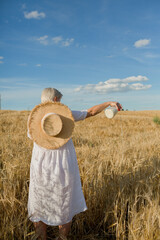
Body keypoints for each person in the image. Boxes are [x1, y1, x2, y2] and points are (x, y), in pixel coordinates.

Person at [27, 87, 122, 240]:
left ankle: (40, 237)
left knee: (38, 201)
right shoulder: (66, 115)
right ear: (56, 100)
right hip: (64, 167)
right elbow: (90, 112)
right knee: (64, 201)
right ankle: (62, 237)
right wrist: (108, 103)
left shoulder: (33, 119)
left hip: (40, 168)